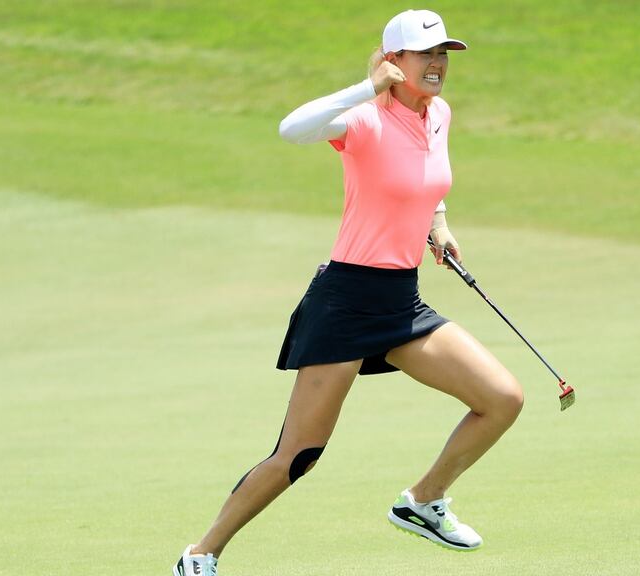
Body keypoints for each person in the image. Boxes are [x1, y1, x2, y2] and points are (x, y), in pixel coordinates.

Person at [172, 10, 524, 576]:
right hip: (344, 302)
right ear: (393, 61)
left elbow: (427, 179)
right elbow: (291, 128)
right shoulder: (362, 120)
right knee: (299, 455)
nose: (438, 65)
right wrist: (368, 86)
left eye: (444, 55)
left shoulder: (439, 115)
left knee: (502, 398)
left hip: (400, 301)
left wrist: (438, 221)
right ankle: (200, 554)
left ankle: (422, 502)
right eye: (425, 55)